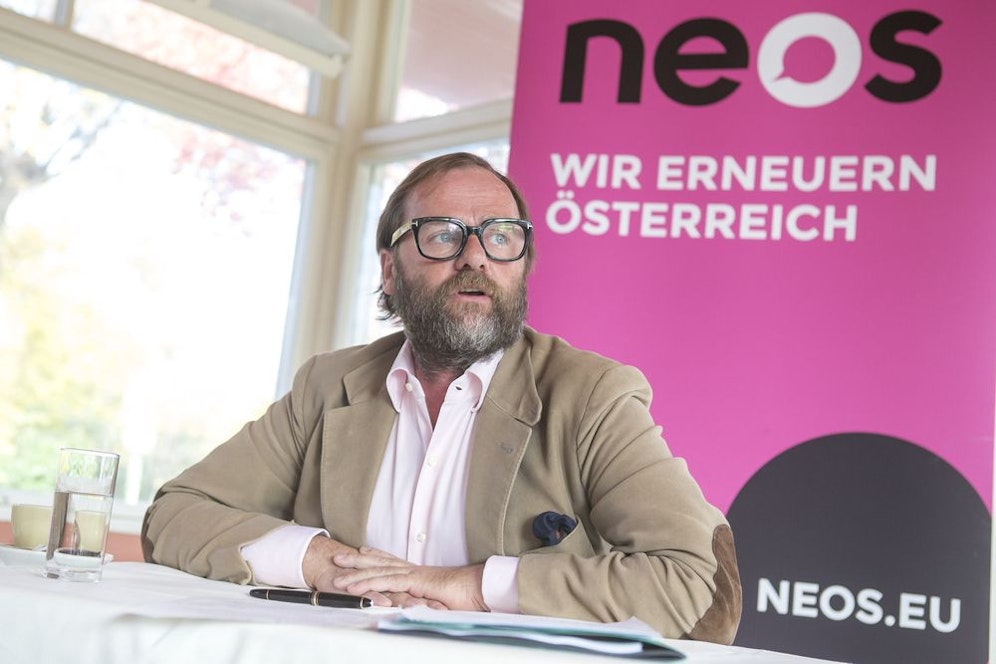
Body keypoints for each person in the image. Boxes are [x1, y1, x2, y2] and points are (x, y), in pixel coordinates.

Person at [142, 152, 742, 644]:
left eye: (501, 237)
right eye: (442, 235)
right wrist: (324, 563)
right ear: (389, 269)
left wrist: (467, 585)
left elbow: (694, 581)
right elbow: (175, 514)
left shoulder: (590, 395)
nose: (475, 256)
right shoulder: (328, 386)